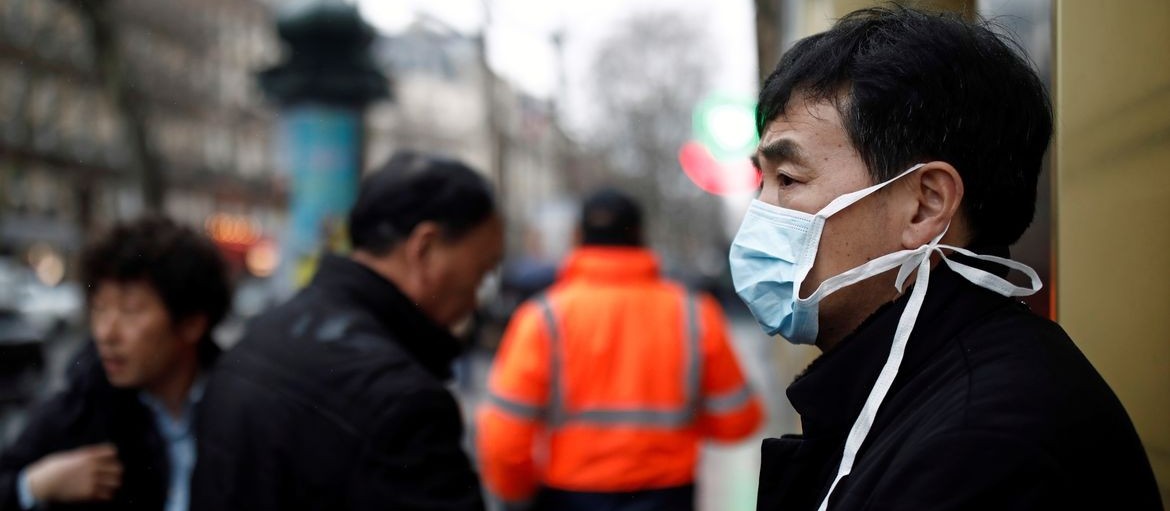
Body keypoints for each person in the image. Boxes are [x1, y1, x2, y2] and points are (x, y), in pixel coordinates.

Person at [731, 6, 1162, 510]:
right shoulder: (925, 387)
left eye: (788, 180)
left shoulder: (982, 449)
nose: (761, 215)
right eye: (762, 181)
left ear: (925, 205)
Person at [191, 152, 502, 511]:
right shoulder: (407, 403)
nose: (477, 297)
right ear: (425, 249)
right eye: (482, 271)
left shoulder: (258, 338)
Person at [478, 188, 763, 511]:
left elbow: (504, 438)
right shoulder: (694, 313)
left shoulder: (544, 317)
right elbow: (739, 422)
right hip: (668, 494)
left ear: (577, 236)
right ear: (641, 234)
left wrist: (516, 496)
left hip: (570, 495)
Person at [0, 217, 231, 511]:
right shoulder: (79, 409)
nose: (105, 333)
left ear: (192, 323)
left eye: (130, 310)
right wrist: (35, 485)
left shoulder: (243, 411)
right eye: (99, 308)